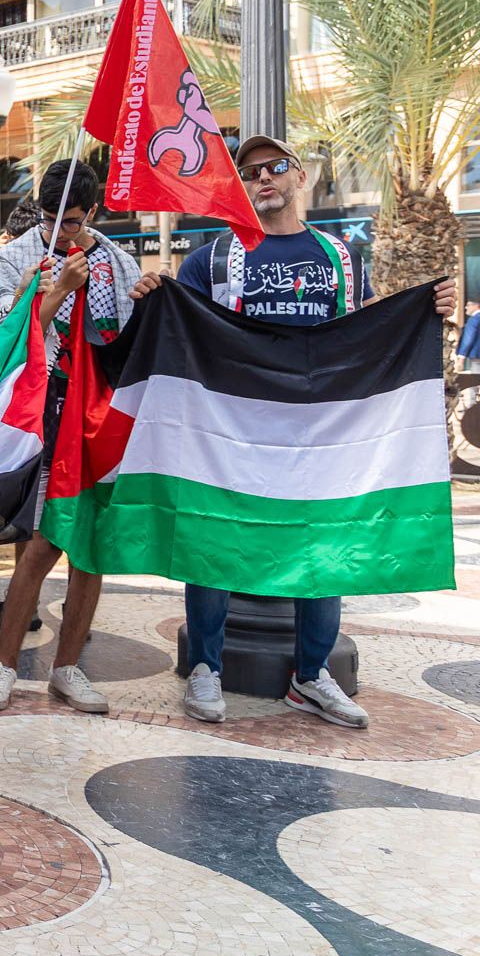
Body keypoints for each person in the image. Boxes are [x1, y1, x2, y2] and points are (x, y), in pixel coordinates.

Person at [158, 135, 454, 728]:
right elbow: (177, 332)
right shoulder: (210, 260)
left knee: (322, 545)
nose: (263, 178)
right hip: (232, 431)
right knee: (216, 539)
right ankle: (206, 667)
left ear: (300, 178)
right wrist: (150, 295)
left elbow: (365, 331)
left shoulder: (341, 258)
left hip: (319, 434)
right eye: (250, 172)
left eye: (276, 168)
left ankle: (311, 675)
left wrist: (428, 309)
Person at [0, 161, 138, 716]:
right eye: (49, 218)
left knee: (91, 545)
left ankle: (67, 668)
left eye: (69, 220)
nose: (57, 230)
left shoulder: (117, 260)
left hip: (102, 415)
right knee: (42, 540)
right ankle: (3, 663)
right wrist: (51, 292)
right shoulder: (17, 253)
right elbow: (6, 334)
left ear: (90, 212)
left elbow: (129, 336)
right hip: (44, 408)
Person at [459, 300, 480, 371]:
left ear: (477, 306)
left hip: (476, 357)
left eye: (468, 305)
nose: (466, 307)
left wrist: (461, 359)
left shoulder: (474, 319)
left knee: (475, 380)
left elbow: (468, 339)